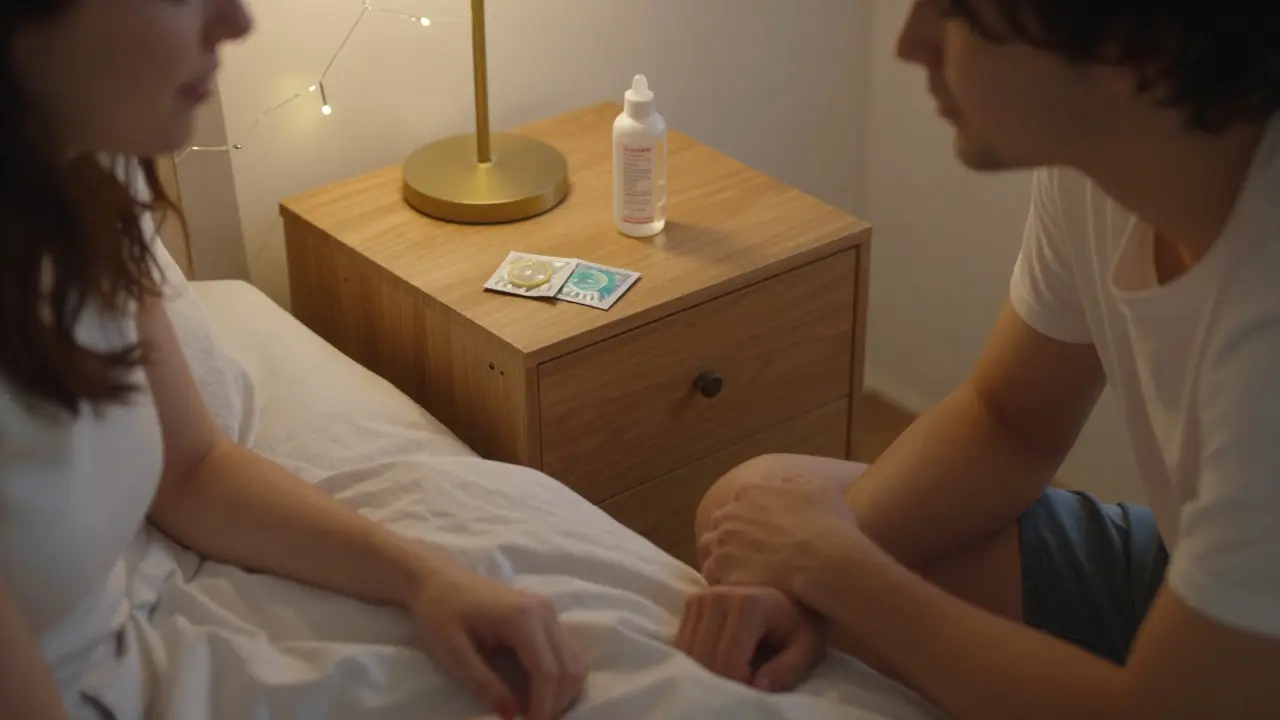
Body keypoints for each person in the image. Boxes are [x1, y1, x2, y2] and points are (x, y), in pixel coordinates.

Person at [676, 1, 1280, 717]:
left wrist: (842, 574)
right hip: (1182, 572)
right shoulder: (1109, 163)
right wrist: (796, 576)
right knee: (748, 513)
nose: (910, 45)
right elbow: (1009, 421)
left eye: (955, 11)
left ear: (1130, 44)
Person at [0, 1, 585, 718]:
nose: (237, 21)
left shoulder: (85, 171)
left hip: (142, 649)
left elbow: (191, 469)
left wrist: (429, 579)